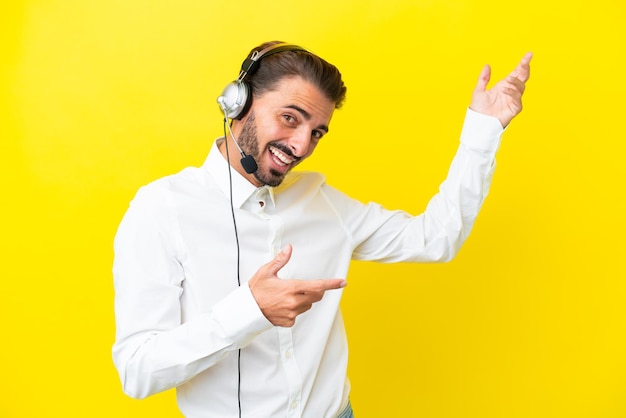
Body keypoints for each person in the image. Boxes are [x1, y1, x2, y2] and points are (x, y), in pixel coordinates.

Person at [112, 40, 532, 418]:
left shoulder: (322, 201)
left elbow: (436, 238)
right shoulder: (162, 209)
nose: (300, 146)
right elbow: (137, 370)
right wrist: (248, 311)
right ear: (238, 104)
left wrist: (482, 131)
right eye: (289, 118)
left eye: (316, 132)